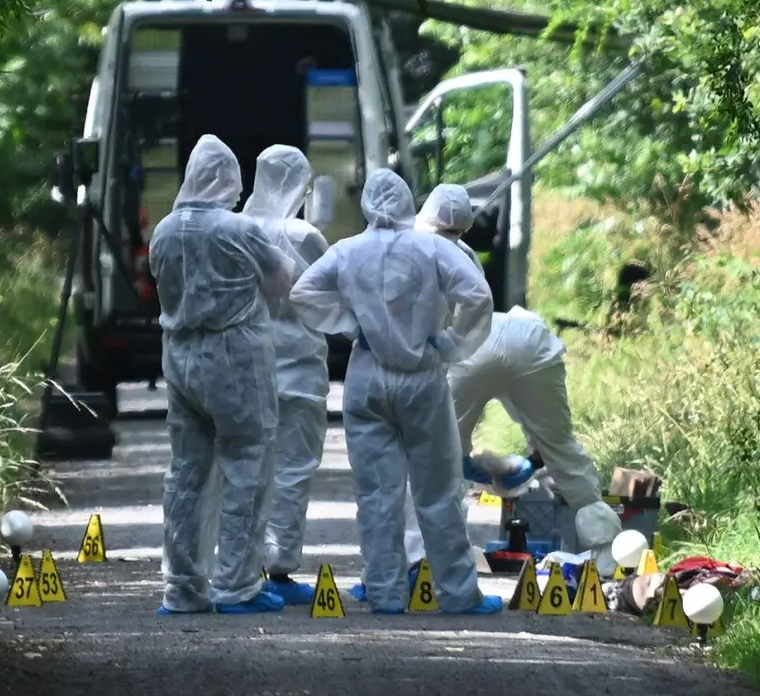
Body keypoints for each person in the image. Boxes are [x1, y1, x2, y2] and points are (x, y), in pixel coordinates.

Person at [289, 169, 503, 615]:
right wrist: (452, 344)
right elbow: (478, 297)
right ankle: (459, 595)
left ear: (366, 203)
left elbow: (303, 292)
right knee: (438, 492)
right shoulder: (433, 248)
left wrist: (349, 325)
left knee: (377, 495)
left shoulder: (347, 250)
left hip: (366, 375)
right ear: (410, 203)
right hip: (422, 376)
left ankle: (386, 594)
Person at [400, 185, 624, 575]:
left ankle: (429, 557)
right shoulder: (467, 254)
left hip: (467, 353)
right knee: (561, 448)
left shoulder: (411, 250)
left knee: (437, 457)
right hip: (529, 341)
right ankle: (607, 554)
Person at [150, 134, 301, 615]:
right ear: (222, 179)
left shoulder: (163, 232)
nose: (238, 191)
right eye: (233, 181)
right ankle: (237, 585)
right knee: (246, 465)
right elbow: (283, 283)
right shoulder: (241, 230)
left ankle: (182, 588)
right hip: (235, 357)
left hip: (179, 356)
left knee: (186, 473)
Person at [240, 145, 332, 606]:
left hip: (249, 366)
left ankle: (240, 563)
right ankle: (278, 570)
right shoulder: (306, 234)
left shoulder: (236, 231)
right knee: (294, 468)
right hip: (301, 367)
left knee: (247, 467)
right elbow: (333, 288)